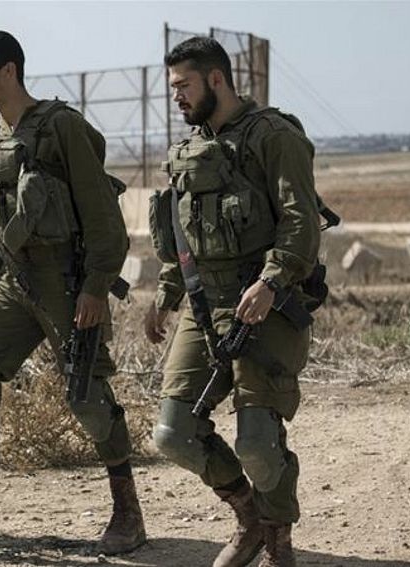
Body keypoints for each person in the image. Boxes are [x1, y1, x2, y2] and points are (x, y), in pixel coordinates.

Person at [0, 30, 145, 559]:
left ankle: (128, 514)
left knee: (87, 398)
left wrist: (95, 288)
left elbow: (105, 219)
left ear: (9, 70)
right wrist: (3, 279)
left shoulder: (61, 126)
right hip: (13, 286)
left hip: (66, 284)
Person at [144, 36, 322, 567]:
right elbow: (183, 235)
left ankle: (277, 539)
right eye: (173, 87)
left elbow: (301, 223)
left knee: (258, 444)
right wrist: (166, 294)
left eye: (183, 85)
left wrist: (271, 282)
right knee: (173, 433)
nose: (176, 96)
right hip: (205, 307)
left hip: (265, 304)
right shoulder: (189, 149)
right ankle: (248, 516)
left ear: (216, 79)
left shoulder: (273, 135)